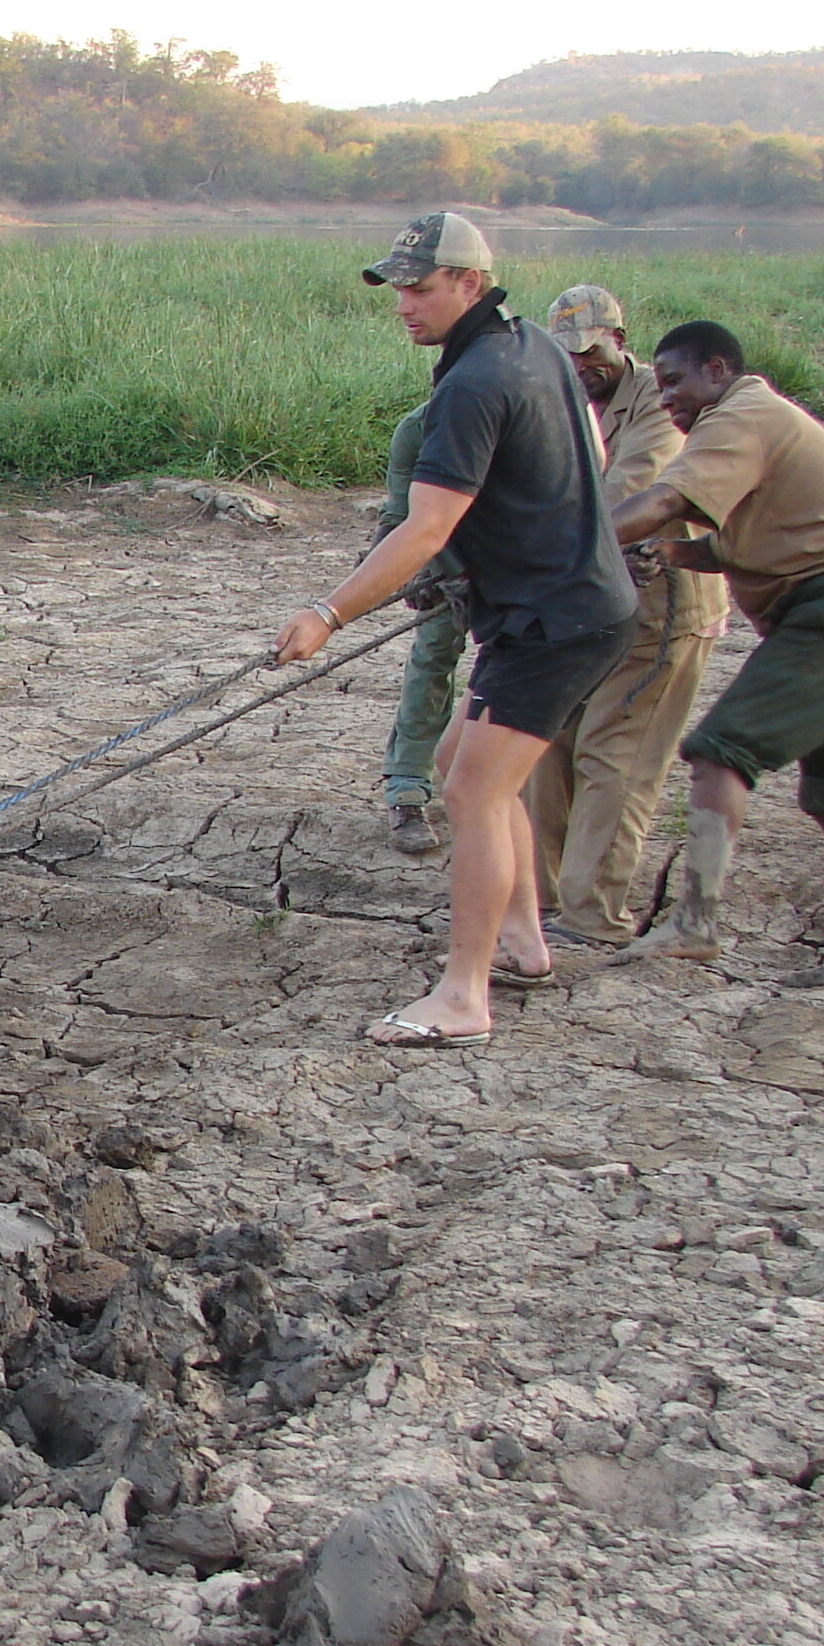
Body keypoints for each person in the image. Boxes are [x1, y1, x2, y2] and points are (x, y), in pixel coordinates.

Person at [271, 212, 636, 1047]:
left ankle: (465, 995)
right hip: (565, 607)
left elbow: (425, 528)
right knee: (453, 763)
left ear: (470, 283)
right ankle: (525, 945)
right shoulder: (529, 343)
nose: (404, 303)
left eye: (421, 287)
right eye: (397, 286)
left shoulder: (474, 383)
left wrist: (327, 615)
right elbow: (592, 459)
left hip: (557, 622)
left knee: (474, 792)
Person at [609, 320, 824, 984]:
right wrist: (666, 551)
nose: (666, 398)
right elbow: (735, 542)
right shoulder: (758, 422)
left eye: (676, 381)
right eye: (659, 385)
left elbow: (665, 499)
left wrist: (565, 544)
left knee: (719, 751)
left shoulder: (741, 415)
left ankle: (696, 920)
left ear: (719, 369)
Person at [522, 284, 720, 945]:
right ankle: (538, 898)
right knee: (546, 742)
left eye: (591, 352)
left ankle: (592, 917)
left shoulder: (662, 407)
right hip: (579, 608)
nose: (581, 365)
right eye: (568, 354)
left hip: (657, 609)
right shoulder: (562, 402)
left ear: (620, 341)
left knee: (616, 756)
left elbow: (625, 497)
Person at [373, 400, 466, 856]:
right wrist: (394, 569)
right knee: (432, 656)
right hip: (445, 566)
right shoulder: (417, 430)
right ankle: (407, 790)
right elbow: (398, 513)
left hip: (517, 566)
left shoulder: (520, 420)